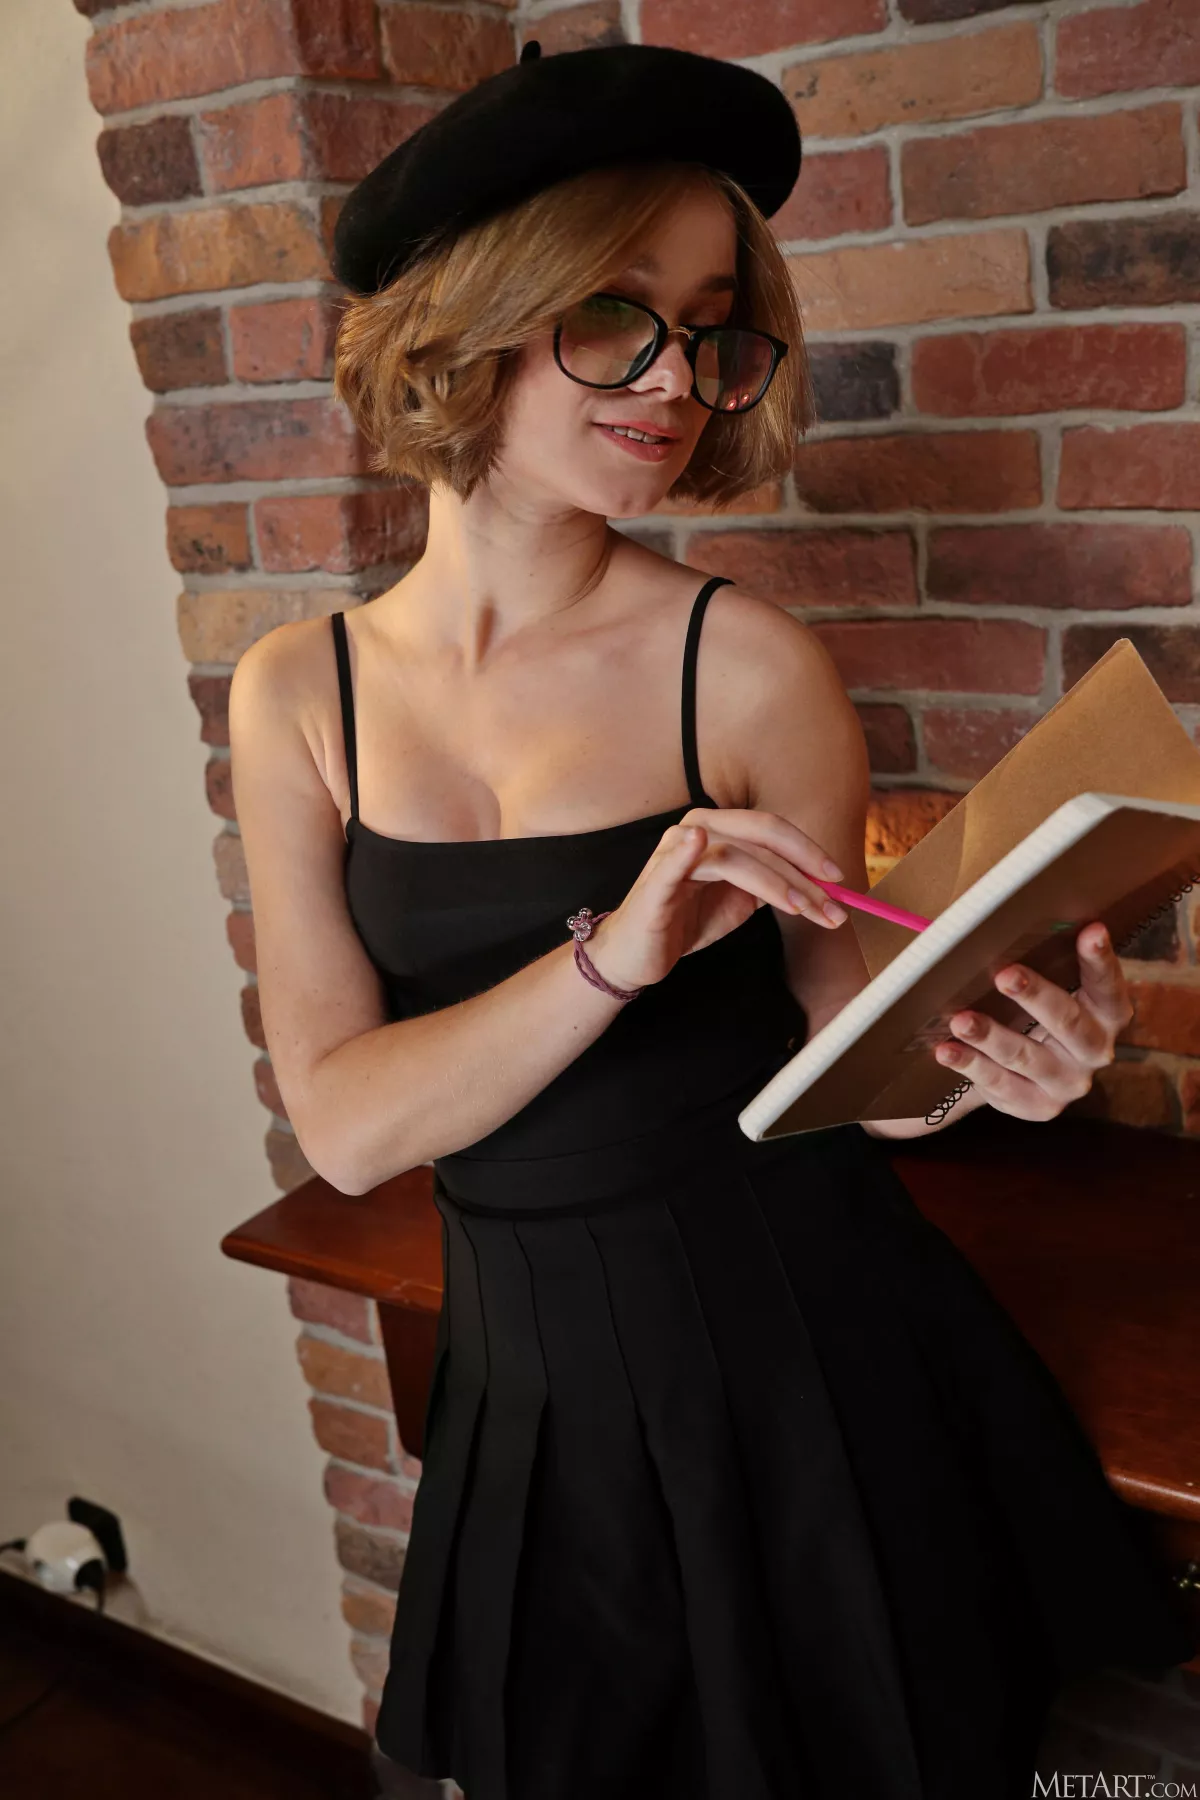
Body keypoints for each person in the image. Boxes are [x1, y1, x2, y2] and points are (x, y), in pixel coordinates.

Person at [228, 41, 1197, 1800]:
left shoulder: (747, 667)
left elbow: (853, 1063)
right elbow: (351, 1127)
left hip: (803, 1353)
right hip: (528, 1376)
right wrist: (614, 953)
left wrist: (989, 1069)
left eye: (711, 328)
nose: (679, 378)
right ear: (469, 319)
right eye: (619, 315)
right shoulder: (300, 691)